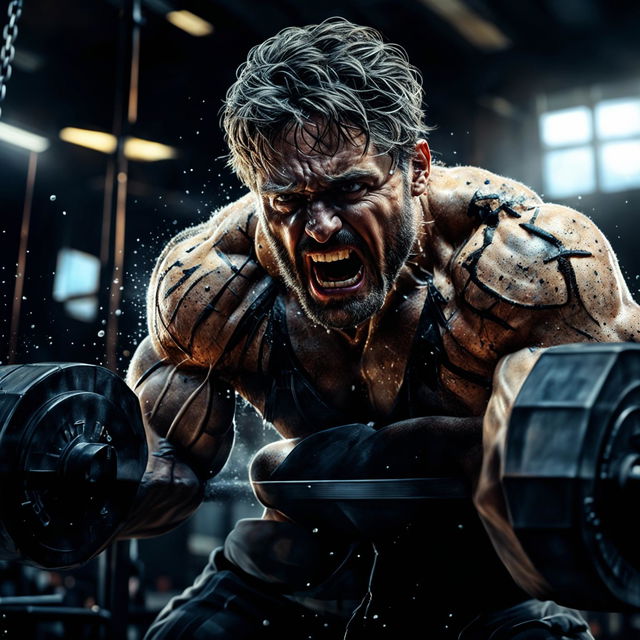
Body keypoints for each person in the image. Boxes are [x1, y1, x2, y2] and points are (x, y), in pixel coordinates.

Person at [122, 17, 640, 639]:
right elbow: (157, 424)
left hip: (487, 597)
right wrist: (139, 465)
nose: (319, 227)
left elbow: (620, 408)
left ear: (415, 168)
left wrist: (520, 448)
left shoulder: (530, 267)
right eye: (285, 199)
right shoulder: (214, 283)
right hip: (290, 579)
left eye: (350, 190)